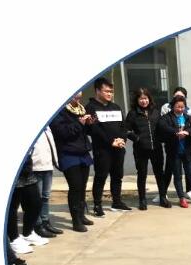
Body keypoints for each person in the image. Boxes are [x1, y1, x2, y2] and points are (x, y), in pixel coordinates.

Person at [50, 91, 95, 232]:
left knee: (82, 186)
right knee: (75, 186)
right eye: (76, 96)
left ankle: (81, 215)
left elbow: (84, 131)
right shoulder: (58, 111)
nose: (78, 99)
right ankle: (76, 220)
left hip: (82, 151)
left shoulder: (80, 109)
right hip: (68, 153)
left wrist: (89, 123)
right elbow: (62, 132)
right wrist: (79, 123)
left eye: (80, 96)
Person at [86, 77, 130, 215]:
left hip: (118, 148)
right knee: (101, 176)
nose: (110, 94)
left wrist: (122, 139)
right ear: (97, 91)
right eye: (106, 91)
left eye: (111, 91)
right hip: (102, 149)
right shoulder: (91, 108)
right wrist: (111, 141)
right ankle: (97, 205)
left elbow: (123, 126)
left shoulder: (115, 107)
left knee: (117, 176)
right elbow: (95, 129)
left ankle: (117, 201)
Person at [125, 88, 168, 209]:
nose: (144, 101)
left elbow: (162, 127)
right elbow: (126, 129)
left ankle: (163, 197)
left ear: (149, 99)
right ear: (137, 100)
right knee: (142, 174)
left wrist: (163, 137)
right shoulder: (133, 113)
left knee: (159, 173)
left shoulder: (155, 112)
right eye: (141, 99)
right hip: (140, 149)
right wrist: (136, 138)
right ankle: (142, 200)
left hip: (156, 148)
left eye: (145, 98)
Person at [157, 95, 191, 208]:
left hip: (188, 152)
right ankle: (181, 198)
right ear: (173, 106)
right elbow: (162, 127)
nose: (180, 109)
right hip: (174, 152)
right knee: (177, 176)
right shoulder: (166, 118)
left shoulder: (188, 118)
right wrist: (176, 132)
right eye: (178, 106)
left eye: (182, 107)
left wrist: (187, 132)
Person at [8, 151, 48, 254]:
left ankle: (28, 233)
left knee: (35, 203)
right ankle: (13, 239)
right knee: (12, 207)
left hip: (26, 169)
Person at [159, 86, 191, 201]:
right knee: (169, 170)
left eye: (181, 96)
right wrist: (175, 132)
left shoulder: (188, 111)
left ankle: (189, 191)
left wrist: (186, 132)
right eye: (176, 96)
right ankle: (163, 193)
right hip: (171, 144)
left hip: (185, 144)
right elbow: (164, 124)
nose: (178, 97)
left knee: (189, 170)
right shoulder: (166, 107)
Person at [31, 126, 63, 238]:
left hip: (48, 166)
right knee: (37, 199)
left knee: (45, 196)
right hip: (35, 167)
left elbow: (51, 146)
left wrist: (55, 162)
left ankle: (45, 222)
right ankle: (37, 225)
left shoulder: (47, 127)